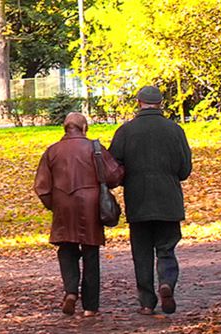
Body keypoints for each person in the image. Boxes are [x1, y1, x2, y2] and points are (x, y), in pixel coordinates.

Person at [109, 86, 193, 315]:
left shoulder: (125, 131)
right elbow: (185, 169)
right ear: (160, 103)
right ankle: (166, 283)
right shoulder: (175, 130)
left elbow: (113, 169)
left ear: (139, 102)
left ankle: (147, 302)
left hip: (138, 200)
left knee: (142, 252)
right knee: (166, 248)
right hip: (168, 199)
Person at [34, 112, 124, 317]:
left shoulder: (52, 151)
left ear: (65, 128)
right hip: (90, 206)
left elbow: (42, 187)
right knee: (91, 254)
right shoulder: (95, 149)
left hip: (63, 206)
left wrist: (55, 205)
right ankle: (90, 306)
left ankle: (71, 291)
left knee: (66, 249)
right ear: (84, 128)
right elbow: (113, 176)